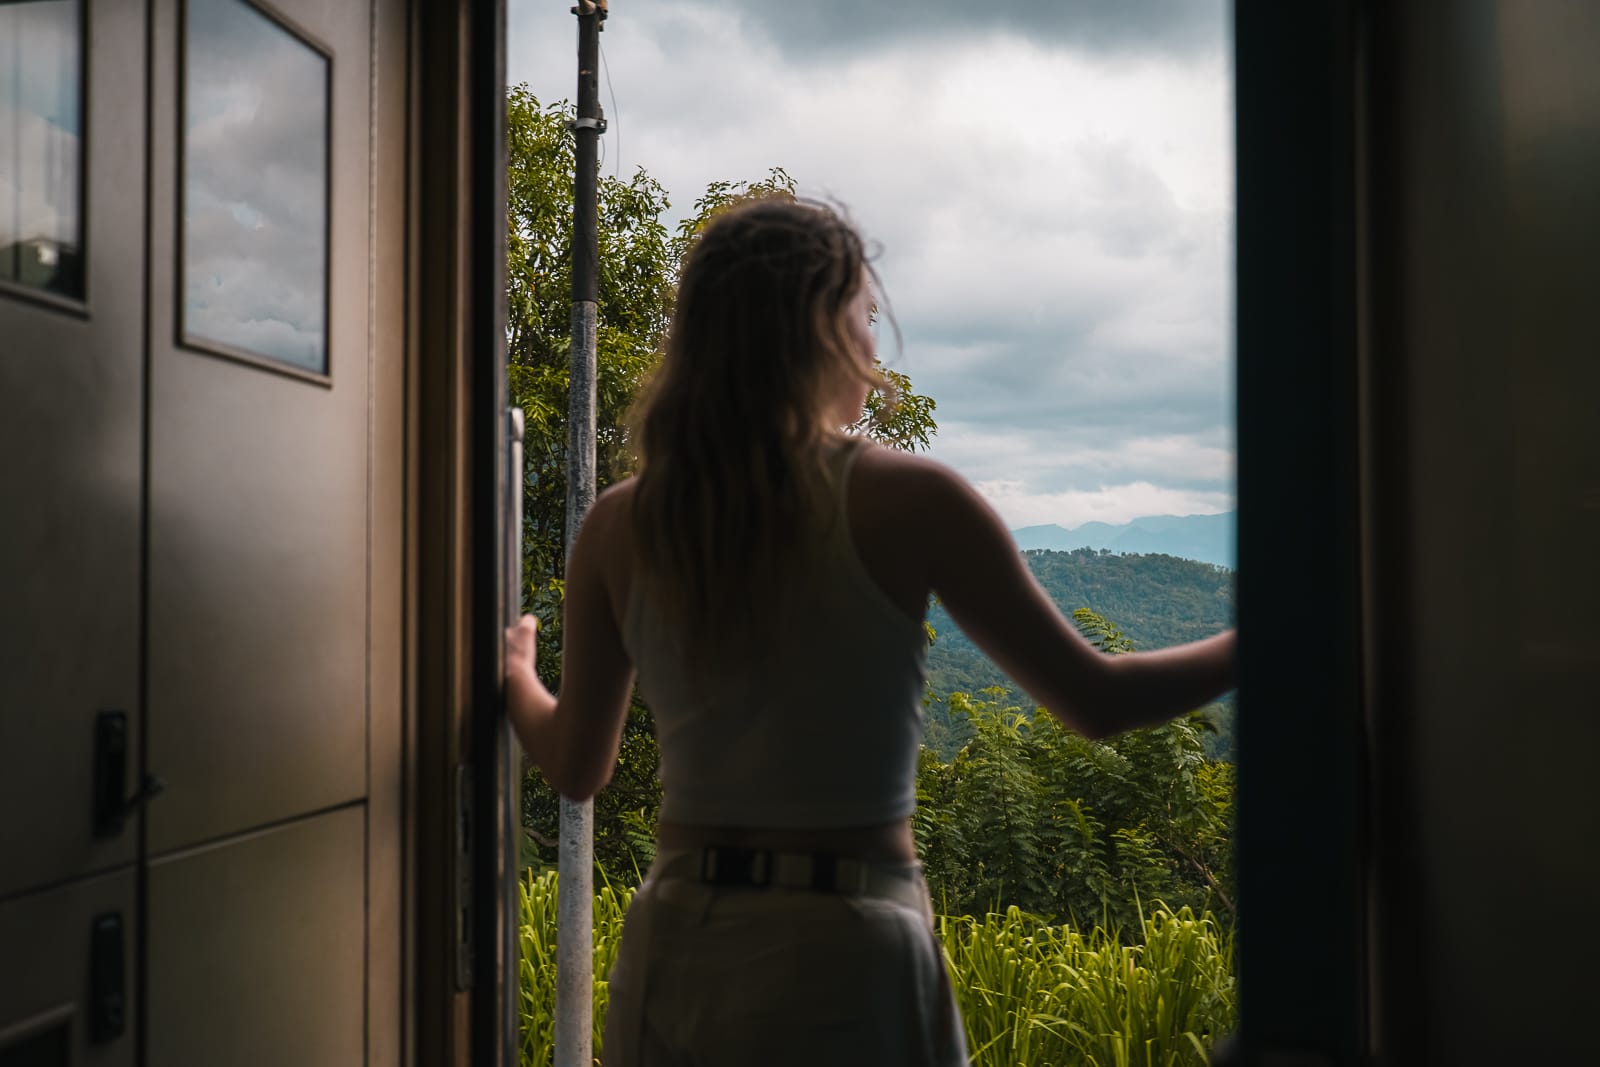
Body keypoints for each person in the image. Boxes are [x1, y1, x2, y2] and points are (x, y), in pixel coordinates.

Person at [503, 196, 1237, 1066]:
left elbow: (579, 766)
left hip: (681, 943)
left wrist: (516, 673)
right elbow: (1098, 699)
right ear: (822, 329)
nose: (875, 344)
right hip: (848, 942)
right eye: (867, 315)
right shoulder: (911, 499)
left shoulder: (621, 525)